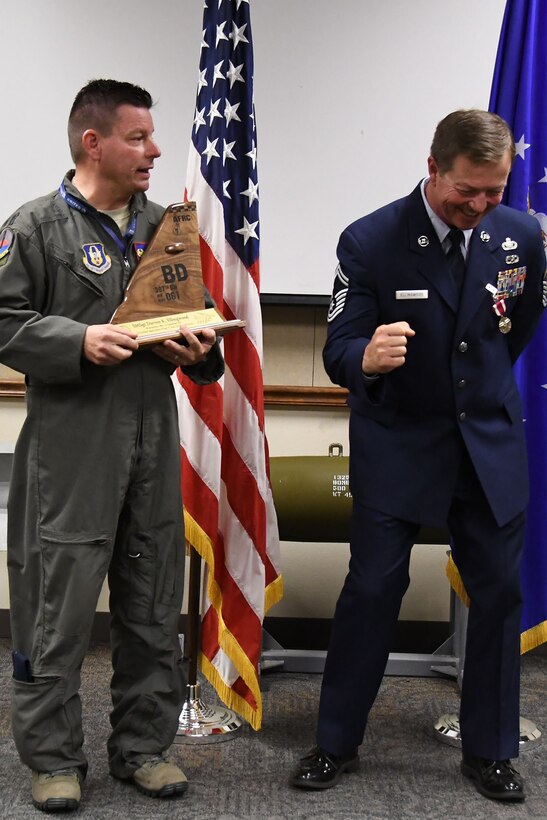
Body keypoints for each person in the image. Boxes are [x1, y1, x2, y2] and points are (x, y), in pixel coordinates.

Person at [290, 110, 546, 803]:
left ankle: (489, 749)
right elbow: (337, 344)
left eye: (493, 191)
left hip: (487, 443)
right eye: (467, 190)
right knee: (372, 590)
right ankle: (334, 741)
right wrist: (365, 359)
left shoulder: (520, 235)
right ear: (433, 168)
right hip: (399, 440)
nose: (479, 205)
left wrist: (476, 392)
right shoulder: (371, 240)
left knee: (496, 594)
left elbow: (510, 328)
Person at [0, 79, 224, 812]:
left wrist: (198, 347)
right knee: (56, 611)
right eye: (138, 137)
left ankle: (142, 748)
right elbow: (3, 321)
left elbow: (198, 325)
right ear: (93, 142)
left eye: (152, 137)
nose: (154, 150)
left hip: (153, 443)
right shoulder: (33, 227)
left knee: (151, 603)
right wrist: (76, 339)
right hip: (70, 452)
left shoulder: (167, 227)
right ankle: (54, 760)